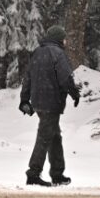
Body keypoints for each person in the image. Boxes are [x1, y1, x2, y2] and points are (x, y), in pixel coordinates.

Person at [19, 25, 81, 187]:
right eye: (64, 38)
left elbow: (28, 78)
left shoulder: (37, 52)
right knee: (45, 136)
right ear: (59, 39)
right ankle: (33, 173)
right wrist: (74, 93)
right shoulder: (58, 54)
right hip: (52, 102)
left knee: (54, 136)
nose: (66, 41)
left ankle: (57, 173)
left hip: (38, 101)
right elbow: (66, 78)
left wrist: (25, 99)